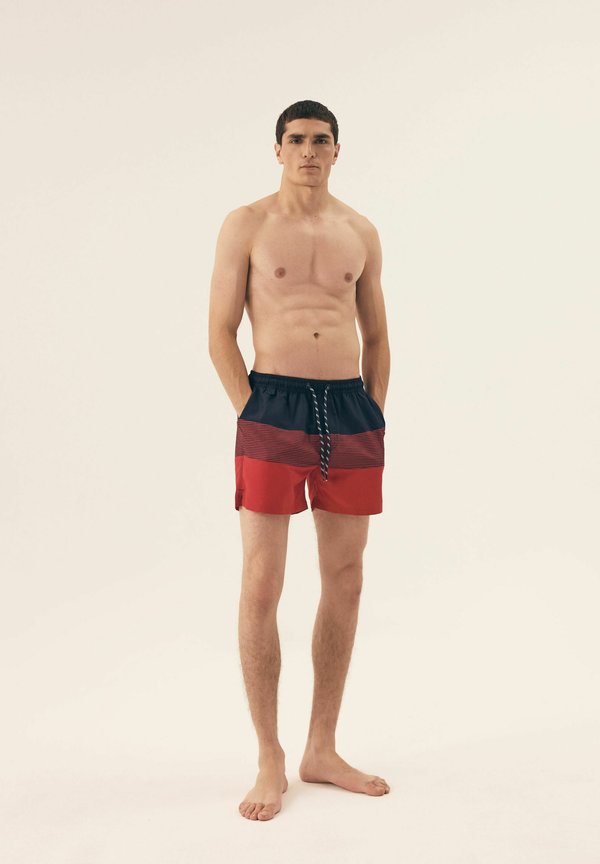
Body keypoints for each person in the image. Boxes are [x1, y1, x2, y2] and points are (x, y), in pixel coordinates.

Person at [208, 99, 391, 821]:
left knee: (346, 579)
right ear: (278, 150)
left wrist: (375, 412)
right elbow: (219, 330)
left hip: (349, 408)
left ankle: (322, 747)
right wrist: (249, 409)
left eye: (321, 140)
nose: (308, 151)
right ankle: (269, 755)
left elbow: (378, 336)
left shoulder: (360, 231)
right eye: (296, 140)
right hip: (272, 404)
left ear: (337, 150)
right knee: (262, 582)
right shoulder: (247, 224)